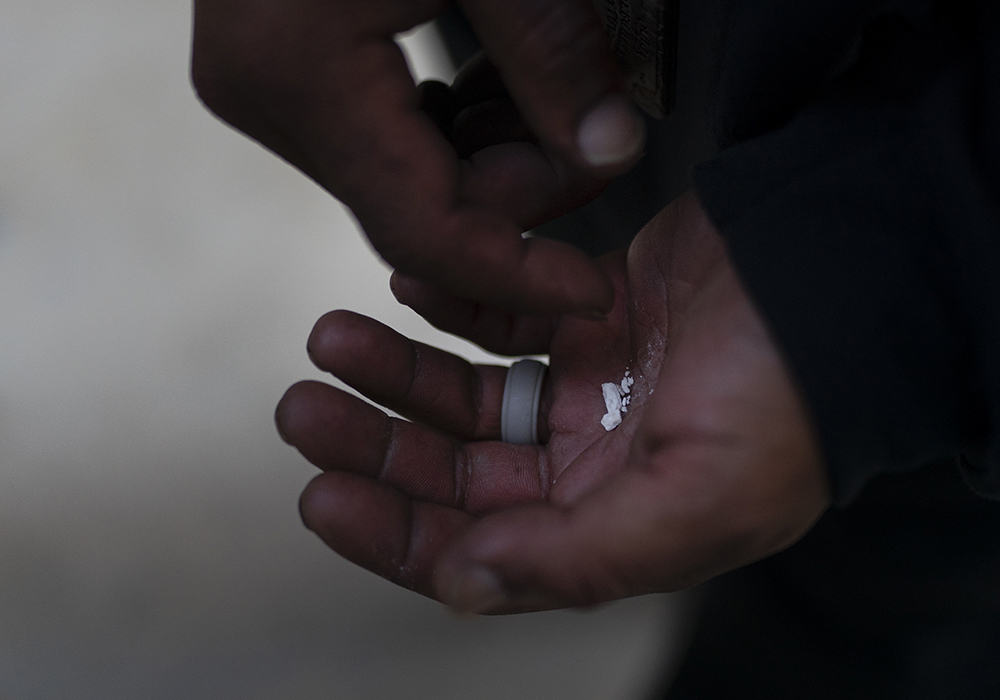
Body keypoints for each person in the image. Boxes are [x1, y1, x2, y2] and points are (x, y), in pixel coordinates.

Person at [192, 0, 1000, 696]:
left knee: (884, 590)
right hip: (590, 115)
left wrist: (914, 259)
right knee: (582, 250)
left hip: (929, 256)